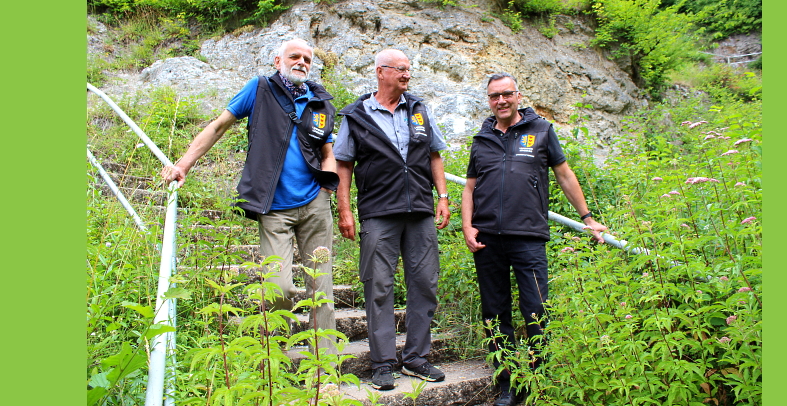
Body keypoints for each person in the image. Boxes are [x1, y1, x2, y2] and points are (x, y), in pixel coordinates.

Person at [161, 38, 340, 354]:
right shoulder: (259, 89)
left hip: (315, 204)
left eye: (307, 59)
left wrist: (328, 187)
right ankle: (274, 362)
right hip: (274, 208)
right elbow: (218, 127)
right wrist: (183, 164)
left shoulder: (320, 101)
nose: (301, 62)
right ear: (277, 60)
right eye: (294, 56)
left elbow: (327, 151)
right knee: (278, 288)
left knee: (321, 290)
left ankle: (325, 373)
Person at [461, 73, 608, 406]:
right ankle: (507, 384)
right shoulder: (481, 140)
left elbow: (564, 174)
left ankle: (538, 382)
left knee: (537, 310)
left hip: (528, 236)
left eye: (506, 94)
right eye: (494, 96)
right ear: (489, 100)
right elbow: (469, 188)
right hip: (486, 240)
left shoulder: (541, 130)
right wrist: (467, 226)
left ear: (518, 95)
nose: (501, 101)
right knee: (495, 314)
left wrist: (587, 218)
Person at [334, 49, 451, 390]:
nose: (407, 75)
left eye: (409, 70)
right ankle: (383, 363)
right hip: (378, 212)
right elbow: (344, 164)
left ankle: (416, 359)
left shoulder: (418, 109)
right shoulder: (356, 115)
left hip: (420, 211)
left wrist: (442, 197)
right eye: (400, 69)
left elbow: (434, 154)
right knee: (379, 287)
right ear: (380, 72)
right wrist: (345, 210)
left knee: (425, 284)